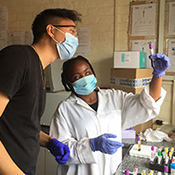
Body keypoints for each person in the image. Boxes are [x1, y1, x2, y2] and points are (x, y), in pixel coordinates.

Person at [49, 54, 170, 175]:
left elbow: (146, 104)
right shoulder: (64, 109)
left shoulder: (114, 97)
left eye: (87, 73)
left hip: (112, 170)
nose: (84, 78)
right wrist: (91, 145)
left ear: (93, 73)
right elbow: (60, 150)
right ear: (69, 83)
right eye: (77, 77)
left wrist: (157, 76)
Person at [0, 8, 81, 175]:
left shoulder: (37, 69)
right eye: (72, 32)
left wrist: (49, 141)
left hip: (24, 167)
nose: (76, 39)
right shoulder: (18, 58)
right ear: (52, 30)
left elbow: (20, 125)